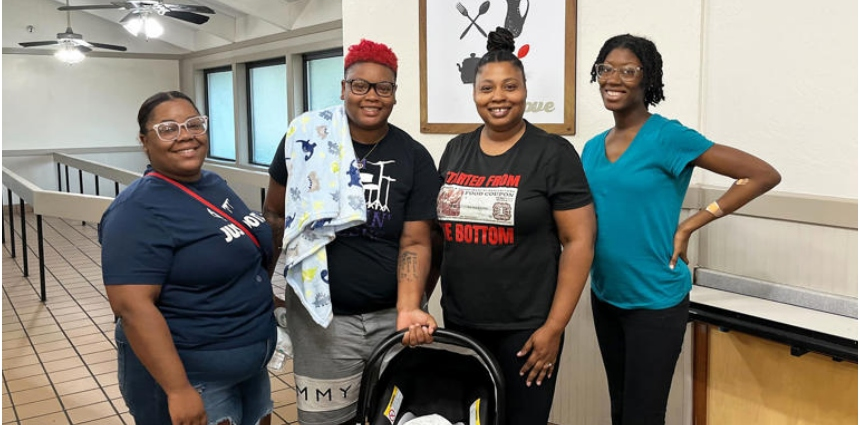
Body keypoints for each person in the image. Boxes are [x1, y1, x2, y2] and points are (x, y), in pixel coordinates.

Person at [582, 34, 782, 425]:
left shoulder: (668, 137)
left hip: (654, 302)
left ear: (647, 79)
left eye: (628, 70)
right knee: (620, 407)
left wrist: (692, 222)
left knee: (643, 415)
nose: (613, 79)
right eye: (606, 69)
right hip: (606, 295)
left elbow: (761, 175)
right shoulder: (591, 147)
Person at [263, 39, 439, 425]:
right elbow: (275, 214)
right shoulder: (305, 140)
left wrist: (410, 306)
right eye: (360, 85)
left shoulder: (413, 157)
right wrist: (264, 287)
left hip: (391, 319)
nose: (371, 95)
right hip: (321, 322)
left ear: (394, 94)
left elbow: (415, 241)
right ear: (344, 88)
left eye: (383, 87)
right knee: (326, 420)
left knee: (392, 416)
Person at [435, 27, 596, 424]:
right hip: (462, 322)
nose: (499, 97)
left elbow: (579, 241)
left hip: (527, 329)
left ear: (525, 91)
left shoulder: (552, 153)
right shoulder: (456, 149)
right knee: (471, 419)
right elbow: (436, 235)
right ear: (474, 94)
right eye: (487, 88)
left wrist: (554, 327)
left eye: (510, 86)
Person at [98, 91, 277, 425]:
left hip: (250, 363)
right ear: (144, 141)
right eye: (168, 128)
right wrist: (178, 389)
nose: (186, 135)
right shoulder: (136, 210)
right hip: (194, 375)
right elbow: (132, 308)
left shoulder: (213, 183)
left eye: (194, 124)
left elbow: (237, 250)